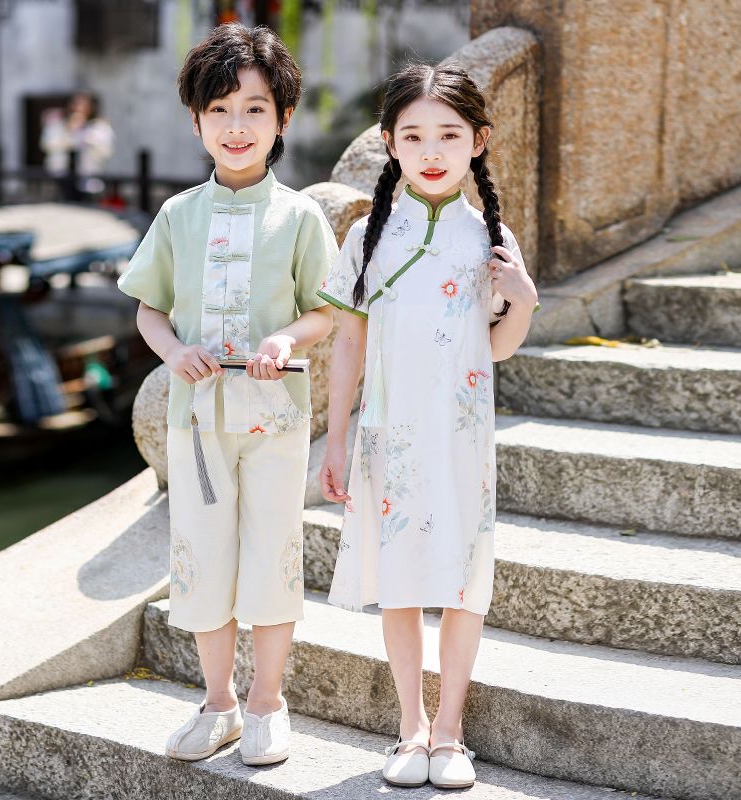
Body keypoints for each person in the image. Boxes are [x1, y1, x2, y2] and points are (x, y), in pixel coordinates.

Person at [117, 23, 337, 766]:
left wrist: (286, 341)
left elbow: (326, 308)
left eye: (253, 109)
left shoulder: (301, 216)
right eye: (219, 111)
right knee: (202, 560)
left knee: (273, 555)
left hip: (276, 419)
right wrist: (174, 351)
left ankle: (270, 702)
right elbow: (148, 306)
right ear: (196, 121)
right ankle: (219, 705)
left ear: (282, 119)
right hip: (196, 423)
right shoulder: (179, 215)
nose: (236, 126)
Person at [318, 62, 539, 789]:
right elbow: (347, 340)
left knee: (464, 582)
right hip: (390, 433)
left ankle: (451, 733)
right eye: (413, 135)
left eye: (449, 134)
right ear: (389, 143)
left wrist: (524, 302)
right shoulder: (368, 237)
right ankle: (409, 728)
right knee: (403, 581)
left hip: (462, 436)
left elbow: (496, 347)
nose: (432, 149)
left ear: (478, 141)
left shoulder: (491, 239)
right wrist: (338, 435)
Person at [40, 92, 114, 199]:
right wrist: (69, 130)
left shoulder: (99, 127)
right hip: (60, 175)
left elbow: (106, 151)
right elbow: (47, 145)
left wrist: (88, 137)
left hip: (89, 178)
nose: (78, 108)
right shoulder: (57, 125)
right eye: (76, 104)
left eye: (84, 105)